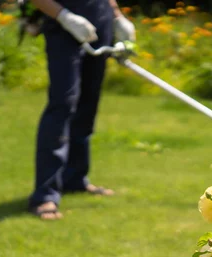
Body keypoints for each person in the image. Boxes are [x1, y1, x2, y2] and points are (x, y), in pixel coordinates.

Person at [28, 0, 136, 220]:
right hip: (65, 23)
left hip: (100, 19)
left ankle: (74, 179)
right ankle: (45, 195)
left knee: (88, 105)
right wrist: (64, 16)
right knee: (62, 104)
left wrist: (116, 16)